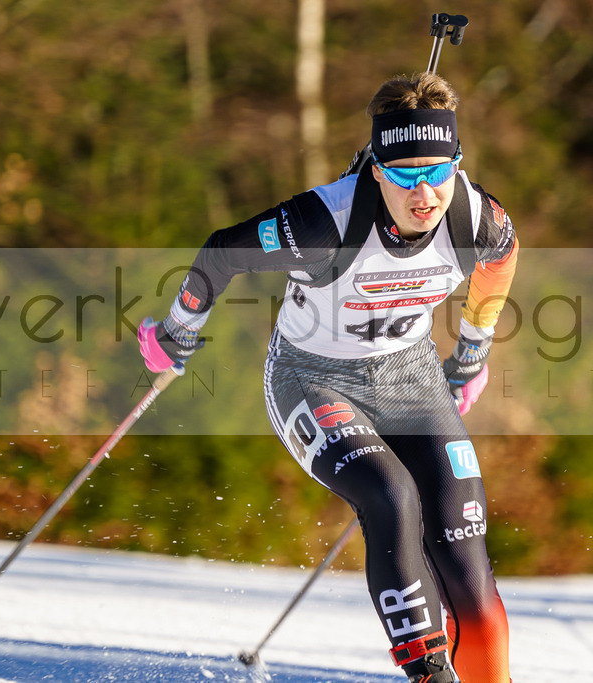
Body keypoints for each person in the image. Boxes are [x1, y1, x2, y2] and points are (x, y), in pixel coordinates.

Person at [138, 72, 517, 683]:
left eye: (437, 172)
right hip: (312, 380)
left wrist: (472, 350)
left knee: (463, 541)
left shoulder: (479, 221)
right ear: (375, 171)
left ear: (457, 164)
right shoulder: (323, 223)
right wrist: (178, 327)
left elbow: (500, 265)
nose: (424, 194)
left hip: (411, 379)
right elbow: (223, 251)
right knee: (392, 497)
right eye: (403, 175)